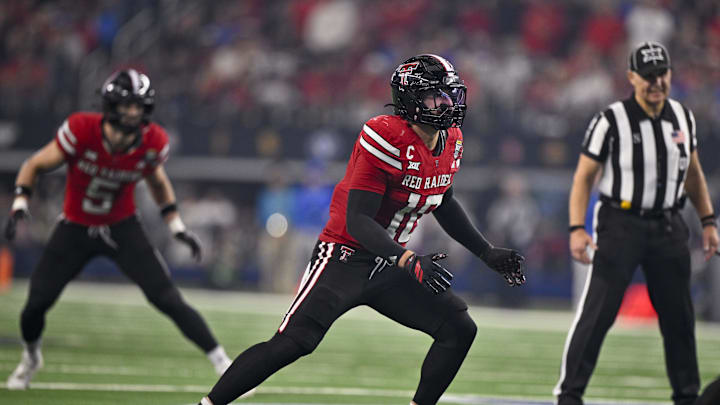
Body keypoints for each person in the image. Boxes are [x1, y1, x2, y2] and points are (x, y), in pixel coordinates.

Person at [197, 54, 527, 405]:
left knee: (459, 329)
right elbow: (358, 219)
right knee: (295, 342)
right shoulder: (385, 135)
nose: (446, 103)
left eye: (449, 95)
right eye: (436, 95)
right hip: (346, 255)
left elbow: (443, 200)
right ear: (411, 100)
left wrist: (486, 252)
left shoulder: (451, 141)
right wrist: (409, 260)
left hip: (390, 262)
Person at [4, 69, 238, 390]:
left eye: (139, 107)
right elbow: (35, 164)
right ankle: (31, 358)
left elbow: (157, 180)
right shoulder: (81, 130)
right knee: (35, 305)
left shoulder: (153, 141)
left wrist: (176, 225)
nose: (133, 113)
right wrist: (20, 202)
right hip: (75, 226)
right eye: (128, 105)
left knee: (167, 298)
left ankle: (223, 362)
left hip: (122, 227)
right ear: (111, 105)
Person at [554, 42, 719, 405]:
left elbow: (693, 173)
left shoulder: (682, 117)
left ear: (670, 74)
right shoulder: (610, 120)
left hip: (669, 224)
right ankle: (570, 394)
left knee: (679, 319)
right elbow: (583, 177)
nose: (656, 82)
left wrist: (707, 220)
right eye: (647, 76)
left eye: (661, 73)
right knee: (597, 314)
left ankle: (687, 396)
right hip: (621, 223)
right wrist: (576, 228)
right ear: (631, 77)